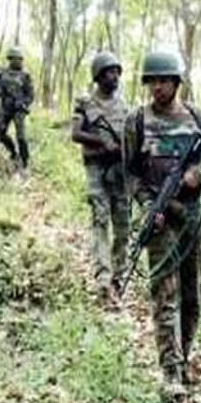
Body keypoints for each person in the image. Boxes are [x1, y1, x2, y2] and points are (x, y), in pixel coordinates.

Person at [123, 51, 201, 400]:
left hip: (193, 218)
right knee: (164, 295)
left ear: (176, 82)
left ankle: (184, 355)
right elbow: (130, 173)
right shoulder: (137, 121)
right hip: (162, 219)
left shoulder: (197, 117)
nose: (157, 87)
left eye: (163, 80)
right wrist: (148, 205)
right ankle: (171, 372)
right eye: (152, 81)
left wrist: (199, 172)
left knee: (192, 295)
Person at [71, 51, 129, 306]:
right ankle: (103, 280)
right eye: (108, 72)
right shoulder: (86, 103)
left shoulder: (125, 106)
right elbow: (75, 133)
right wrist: (101, 143)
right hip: (96, 169)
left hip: (120, 171)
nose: (114, 76)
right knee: (100, 221)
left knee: (123, 226)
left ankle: (119, 275)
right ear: (98, 76)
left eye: (116, 72)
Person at [0, 46, 33, 169]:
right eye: (14, 59)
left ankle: (25, 160)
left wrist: (23, 103)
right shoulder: (2, 73)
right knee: (0, 133)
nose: (17, 61)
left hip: (19, 109)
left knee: (21, 136)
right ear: (10, 59)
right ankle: (13, 152)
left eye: (19, 59)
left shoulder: (25, 75)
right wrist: (1, 94)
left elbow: (30, 95)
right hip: (5, 108)